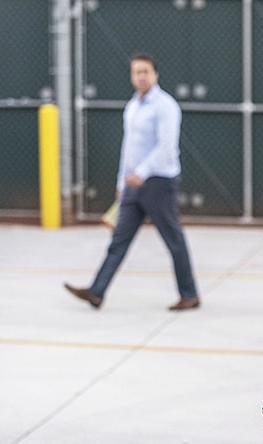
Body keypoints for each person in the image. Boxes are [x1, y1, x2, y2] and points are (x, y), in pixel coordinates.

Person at [64, 53, 200, 311]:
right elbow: (129, 148)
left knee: (173, 240)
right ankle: (97, 291)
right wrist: (121, 181)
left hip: (158, 183)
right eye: (136, 72)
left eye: (145, 71)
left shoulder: (165, 105)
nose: (141, 76)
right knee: (118, 240)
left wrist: (143, 172)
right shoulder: (133, 106)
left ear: (155, 74)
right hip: (132, 184)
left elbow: (167, 146)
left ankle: (189, 294)